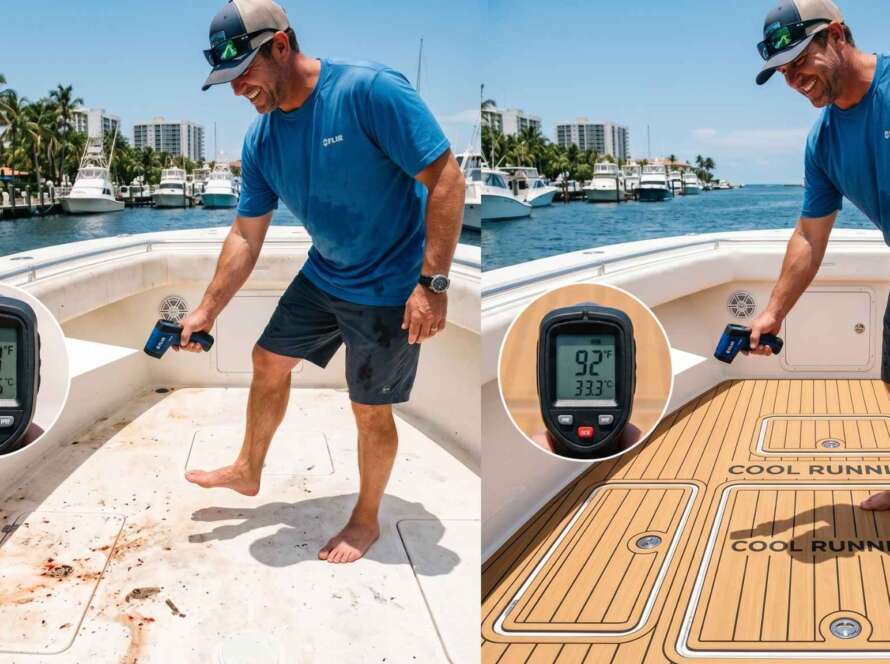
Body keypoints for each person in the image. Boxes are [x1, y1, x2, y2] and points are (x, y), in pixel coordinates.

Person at [180, 0, 465, 563]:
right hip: (326, 272)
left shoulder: (370, 92)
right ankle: (248, 469)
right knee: (268, 359)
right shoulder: (261, 142)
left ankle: (365, 520)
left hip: (389, 284)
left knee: (368, 409)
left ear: (281, 46)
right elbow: (245, 236)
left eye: (245, 75)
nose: (239, 91)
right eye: (228, 81)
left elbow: (448, 180)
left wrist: (431, 285)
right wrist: (207, 309)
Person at [748, 0, 890, 510]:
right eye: (784, 72)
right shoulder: (822, 141)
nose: (794, 78)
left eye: (801, 60)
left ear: (838, 35)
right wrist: (773, 312)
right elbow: (810, 235)